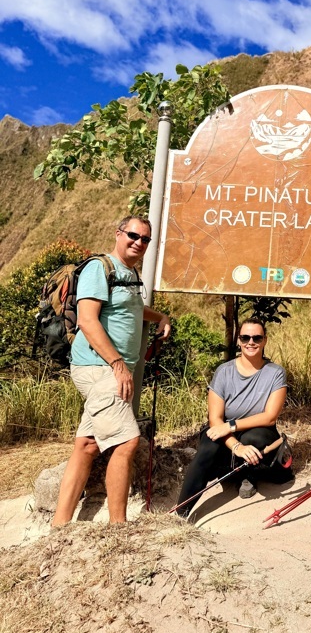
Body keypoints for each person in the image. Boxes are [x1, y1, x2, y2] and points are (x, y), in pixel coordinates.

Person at [52, 216, 171, 526]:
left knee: (88, 445)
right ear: (118, 234)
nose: (139, 242)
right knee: (127, 442)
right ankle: (119, 527)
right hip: (100, 366)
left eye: (145, 239)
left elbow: (131, 309)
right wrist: (118, 364)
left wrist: (160, 316)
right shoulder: (99, 268)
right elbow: (87, 320)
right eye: (133, 235)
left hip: (109, 368)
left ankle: (59, 525)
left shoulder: (129, 273)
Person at [176, 317, 292, 518]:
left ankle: (248, 475)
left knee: (253, 438)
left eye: (257, 338)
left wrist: (231, 426)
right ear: (238, 340)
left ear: (265, 340)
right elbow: (215, 419)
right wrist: (236, 446)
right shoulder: (224, 371)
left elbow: (270, 417)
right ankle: (181, 512)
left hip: (257, 432)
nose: (251, 342)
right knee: (208, 445)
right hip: (228, 436)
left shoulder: (275, 373)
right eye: (245, 337)